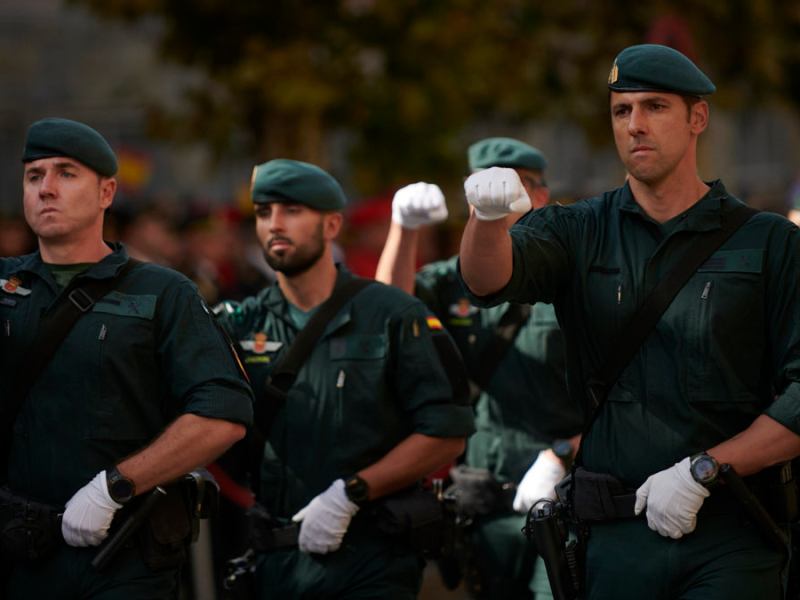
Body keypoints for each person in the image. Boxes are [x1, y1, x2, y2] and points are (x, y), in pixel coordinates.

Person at [458, 44, 800, 599]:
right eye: (622, 111)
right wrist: (486, 222)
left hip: (733, 532)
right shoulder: (577, 230)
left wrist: (705, 470)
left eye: (655, 107)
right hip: (614, 536)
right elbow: (488, 279)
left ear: (697, 118)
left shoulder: (769, 244)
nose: (635, 125)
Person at [0, 117, 254, 599]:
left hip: (120, 560)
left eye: (66, 173)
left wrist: (116, 486)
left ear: (106, 192)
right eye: (34, 176)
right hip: (17, 559)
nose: (46, 188)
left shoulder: (162, 292)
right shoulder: (5, 286)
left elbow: (223, 413)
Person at [214, 158, 475, 598]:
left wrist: (351, 494)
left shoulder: (391, 314)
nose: (275, 224)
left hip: (371, 558)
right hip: (277, 560)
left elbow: (446, 433)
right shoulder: (242, 323)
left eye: (293, 211)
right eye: (264, 212)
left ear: (332, 224)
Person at [375, 137, 583, 598]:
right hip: (484, 503)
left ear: (541, 196)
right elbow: (388, 316)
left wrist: (562, 456)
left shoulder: (572, 272)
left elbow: (619, 387)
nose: (494, 195)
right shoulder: (452, 281)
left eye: (510, 185)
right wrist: (403, 230)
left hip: (564, 494)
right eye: (480, 186)